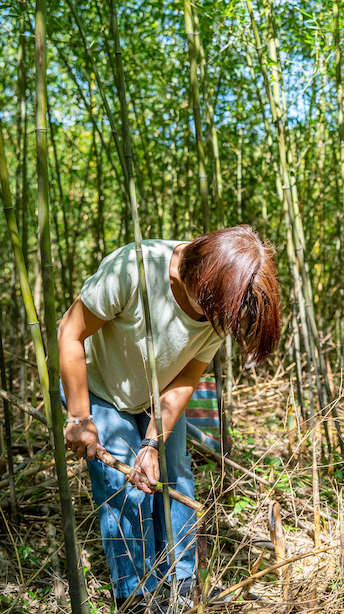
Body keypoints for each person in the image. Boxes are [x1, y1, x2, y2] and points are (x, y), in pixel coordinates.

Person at [58, 226, 282, 612]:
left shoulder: (221, 303)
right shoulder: (133, 270)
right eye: (213, 311)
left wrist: (151, 442)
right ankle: (136, 595)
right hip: (96, 387)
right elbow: (70, 333)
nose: (216, 320)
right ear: (191, 277)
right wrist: (80, 418)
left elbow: (187, 377)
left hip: (156, 393)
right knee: (123, 487)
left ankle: (182, 582)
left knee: (175, 474)